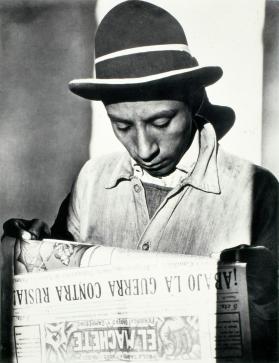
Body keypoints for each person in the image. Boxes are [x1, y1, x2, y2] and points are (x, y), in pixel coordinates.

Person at [2, 1, 278, 360]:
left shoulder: (255, 192)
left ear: (194, 100)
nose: (144, 148)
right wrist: (32, 254)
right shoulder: (91, 182)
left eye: (161, 123)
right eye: (123, 126)